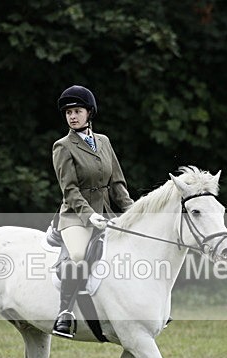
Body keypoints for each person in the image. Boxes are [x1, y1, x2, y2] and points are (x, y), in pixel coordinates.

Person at [51, 85, 134, 338]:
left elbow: (117, 183)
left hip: (106, 212)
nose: (72, 116)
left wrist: (133, 212)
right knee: (77, 255)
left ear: (89, 113)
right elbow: (70, 190)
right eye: (68, 113)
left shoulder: (104, 142)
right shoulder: (63, 146)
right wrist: (90, 216)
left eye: (77, 111)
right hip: (76, 217)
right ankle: (64, 313)